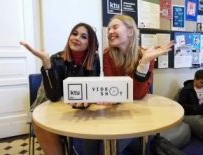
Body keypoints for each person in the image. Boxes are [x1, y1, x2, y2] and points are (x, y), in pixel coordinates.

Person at [20, 23, 100, 155]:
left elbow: (91, 88)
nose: (76, 38)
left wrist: (86, 98)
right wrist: (46, 62)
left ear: (90, 44)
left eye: (83, 36)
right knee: (41, 124)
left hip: (76, 108)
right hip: (51, 105)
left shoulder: (94, 59)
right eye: (74, 34)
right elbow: (54, 96)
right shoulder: (56, 59)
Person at [103, 14, 174, 154]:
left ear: (130, 32)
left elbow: (136, 95)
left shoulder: (145, 55)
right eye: (109, 29)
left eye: (115, 27)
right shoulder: (107, 55)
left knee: (113, 148)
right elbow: (114, 89)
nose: (110, 32)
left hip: (139, 113)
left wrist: (143, 64)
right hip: (117, 112)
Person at [177, 69, 203, 138]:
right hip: (192, 114)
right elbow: (181, 106)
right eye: (201, 82)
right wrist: (197, 108)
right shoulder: (186, 90)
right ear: (195, 79)